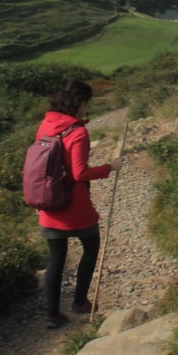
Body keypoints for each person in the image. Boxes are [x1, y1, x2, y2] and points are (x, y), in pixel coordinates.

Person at [35, 79, 124, 329]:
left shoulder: (45, 125)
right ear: (81, 103)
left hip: (48, 203)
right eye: (87, 104)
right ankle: (80, 302)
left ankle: (52, 315)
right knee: (92, 245)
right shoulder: (77, 131)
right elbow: (79, 173)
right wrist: (110, 167)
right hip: (73, 205)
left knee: (56, 259)